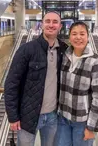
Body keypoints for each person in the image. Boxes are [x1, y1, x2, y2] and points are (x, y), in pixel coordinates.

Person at [4, 11, 68, 146]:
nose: (51, 25)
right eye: (48, 21)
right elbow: (11, 84)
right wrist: (12, 116)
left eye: (55, 22)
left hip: (53, 116)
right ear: (42, 24)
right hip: (27, 117)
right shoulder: (26, 49)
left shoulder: (64, 50)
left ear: (60, 26)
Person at [56, 22, 98, 146]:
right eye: (74, 34)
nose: (78, 37)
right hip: (63, 118)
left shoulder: (95, 61)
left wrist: (91, 127)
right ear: (69, 37)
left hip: (82, 122)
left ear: (88, 37)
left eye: (82, 34)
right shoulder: (65, 56)